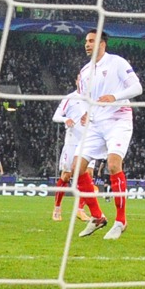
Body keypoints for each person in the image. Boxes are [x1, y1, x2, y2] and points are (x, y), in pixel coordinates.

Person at [75, 29, 142, 240]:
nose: (87, 44)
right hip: (96, 123)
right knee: (77, 168)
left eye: (92, 40)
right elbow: (90, 98)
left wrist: (115, 96)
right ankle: (97, 217)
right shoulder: (85, 71)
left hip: (118, 119)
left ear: (103, 44)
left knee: (113, 165)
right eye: (86, 41)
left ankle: (121, 221)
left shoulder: (117, 63)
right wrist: (88, 112)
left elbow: (137, 88)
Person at [51, 90, 94, 222]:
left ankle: (80, 209)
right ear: (77, 81)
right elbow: (55, 116)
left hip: (89, 139)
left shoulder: (95, 96)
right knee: (66, 175)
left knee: (89, 174)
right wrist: (66, 119)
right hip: (72, 140)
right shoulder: (70, 97)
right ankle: (57, 208)